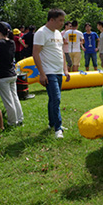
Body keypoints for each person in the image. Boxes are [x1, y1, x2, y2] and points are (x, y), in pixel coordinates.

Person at [33, 8, 70, 139]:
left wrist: (65, 69)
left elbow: (62, 53)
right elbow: (35, 53)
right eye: (60, 20)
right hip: (49, 72)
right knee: (56, 99)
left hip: (59, 71)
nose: (62, 23)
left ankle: (52, 123)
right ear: (51, 20)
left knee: (53, 99)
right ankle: (58, 128)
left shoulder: (58, 33)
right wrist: (42, 74)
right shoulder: (41, 33)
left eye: (63, 20)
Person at [0, 21, 24, 127]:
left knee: (8, 101)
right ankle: (19, 119)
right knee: (15, 98)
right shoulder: (11, 42)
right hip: (12, 74)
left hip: (2, 76)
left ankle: (12, 122)